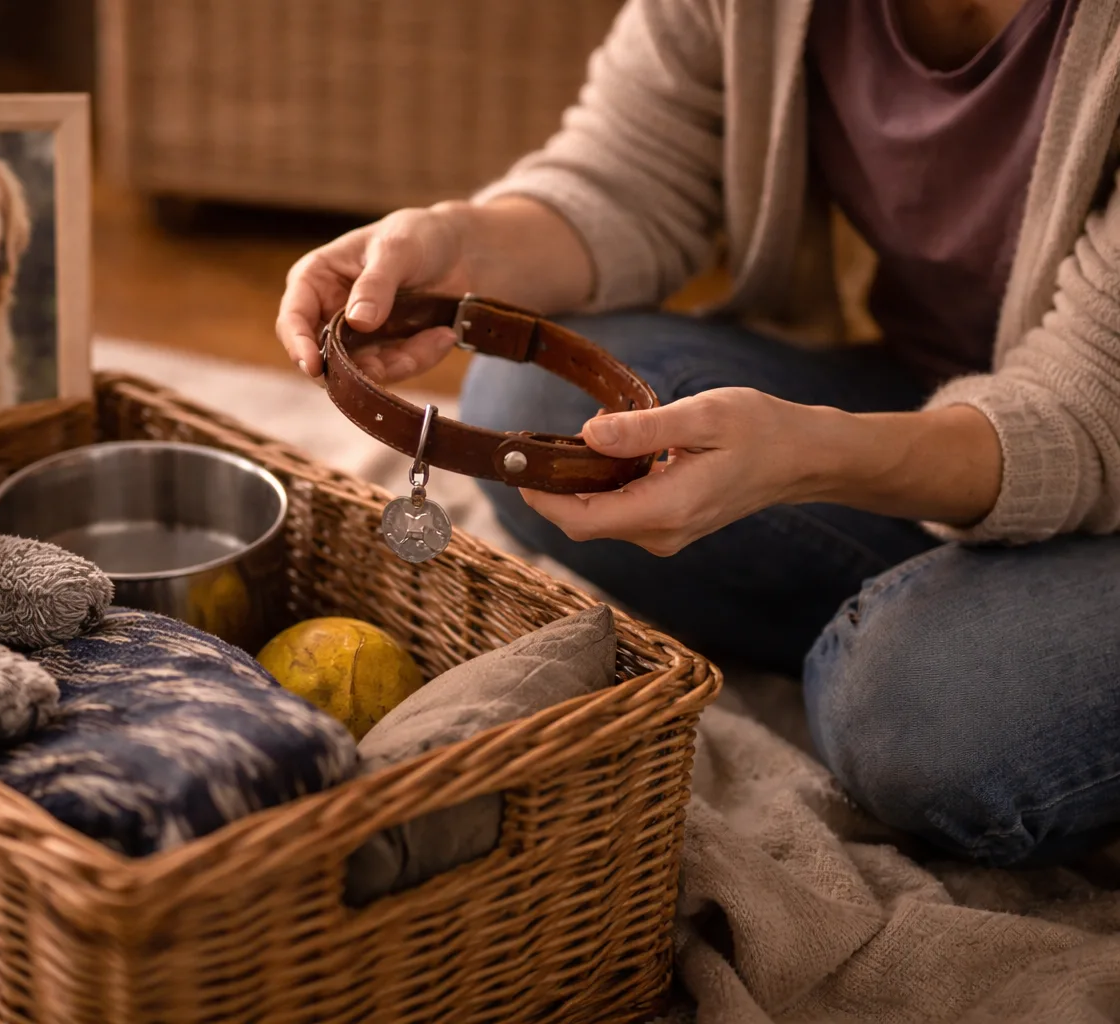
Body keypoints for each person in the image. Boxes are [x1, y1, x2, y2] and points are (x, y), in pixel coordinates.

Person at [275, 0, 1120, 868]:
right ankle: (959, 613)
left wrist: (811, 460)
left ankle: (955, 648)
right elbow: (632, 170)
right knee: (534, 400)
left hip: (1098, 434)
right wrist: (461, 243)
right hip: (936, 395)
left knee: (907, 712)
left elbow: (1089, 408)